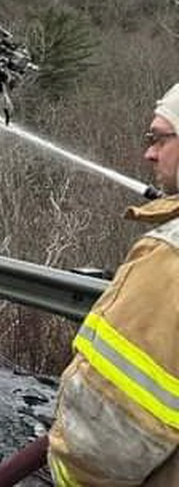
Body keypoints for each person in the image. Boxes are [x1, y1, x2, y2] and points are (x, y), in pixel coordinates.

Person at [48, 82, 179, 485]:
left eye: (160, 138)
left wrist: (67, 475)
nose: (149, 153)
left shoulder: (169, 260)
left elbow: (109, 436)